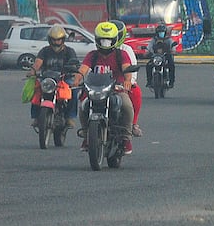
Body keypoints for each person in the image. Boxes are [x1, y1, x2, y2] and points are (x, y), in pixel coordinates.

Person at [76, 21, 136, 155]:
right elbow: (83, 69)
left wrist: (127, 81)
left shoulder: (121, 54)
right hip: (95, 89)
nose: (105, 44)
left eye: (108, 41)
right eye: (102, 41)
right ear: (97, 40)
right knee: (82, 106)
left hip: (116, 89)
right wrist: (77, 79)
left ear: (114, 40)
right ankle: (87, 136)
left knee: (127, 106)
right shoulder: (92, 55)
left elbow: (127, 69)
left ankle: (126, 138)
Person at [26, 25, 79, 129]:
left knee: (74, 92)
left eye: (58, 40)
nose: (56, 42)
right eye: (54, 40)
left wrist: (74, 72)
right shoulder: (45, 50)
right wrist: (32, 71)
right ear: (50, 40)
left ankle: (70, 117)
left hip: (64, 78)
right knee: (37, 91)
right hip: (47, 78)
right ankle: (36, 117)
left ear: (63, 40)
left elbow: (74, 65)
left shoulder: (69, 51)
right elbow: (38, 63)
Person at [109, 20, 144, 137]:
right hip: (102, 85)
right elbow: (88, 70)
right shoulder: (95, 52)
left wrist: (128, 83)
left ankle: (133, 124)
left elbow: (131, 71)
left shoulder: (126, 50)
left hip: (120, 85)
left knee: (136, 92)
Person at [146, 23, 176, 89]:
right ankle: (149, 81)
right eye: (159, 32)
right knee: (148, 65)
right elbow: (149, 46)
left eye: (162, 32)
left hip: (166, 56)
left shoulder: (168, 39)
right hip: (156, 56)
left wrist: (173, 50)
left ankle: (171, 81)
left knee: (171, 65)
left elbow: (173, 46)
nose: (161, 33)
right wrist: (147, 51)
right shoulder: (154, 39)